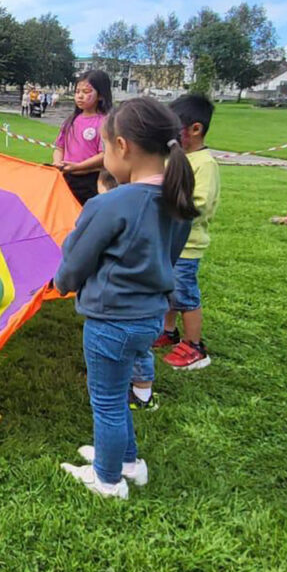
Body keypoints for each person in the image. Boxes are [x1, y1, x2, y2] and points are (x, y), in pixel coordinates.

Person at [54, 98, 196, 499]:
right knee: (116, 395)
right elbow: (169, 256)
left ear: (122, 146)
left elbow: (77, 258)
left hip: (112, 320)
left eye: (103, 148)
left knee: (108, 401)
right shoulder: (177, 200)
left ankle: (108, 479)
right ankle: (129, 462)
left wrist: (61, 281)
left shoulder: (111, 203)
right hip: (148, 317)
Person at [159, 93, 220, 371]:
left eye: (176, 129)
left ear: (195, 129)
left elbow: (199, 203)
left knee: (185, 295)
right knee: (168, 290)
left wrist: (166, 206)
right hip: (169, 242)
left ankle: (195, 347)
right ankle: (169, 332)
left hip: (187, 245)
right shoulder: (177, 157)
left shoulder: (204, 163)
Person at [53, 70, 113, 205]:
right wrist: (58, 163)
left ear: (101, 95)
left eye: (86, 92)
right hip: (66, 178)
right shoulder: (71, 121)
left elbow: (104, 154)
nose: (80, 96)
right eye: (77, 91)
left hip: (90, 181)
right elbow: (59, 147)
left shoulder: (104, 122)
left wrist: (79, 166)